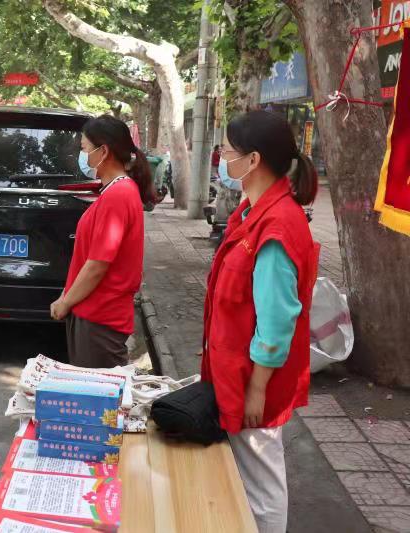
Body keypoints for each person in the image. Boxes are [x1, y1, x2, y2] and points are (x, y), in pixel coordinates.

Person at [201, 110, 319, 533]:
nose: (221, 160)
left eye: (227, 151)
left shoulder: (277, 227)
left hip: (254, 381)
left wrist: (256, 389)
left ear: (252, 160)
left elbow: (277, 321)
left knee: (261, 486)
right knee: (244, 475)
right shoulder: (252, 214)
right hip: (234, 372)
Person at [50, 115, 155, 368]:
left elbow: (97, 264)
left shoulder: (118, 195)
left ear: (103, 151)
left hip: (100, 318)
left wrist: (65, 302)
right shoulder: (114, 191)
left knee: (99, 391)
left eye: (84, 148)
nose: (82, 155)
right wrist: (67, 295)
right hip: (93, 314)